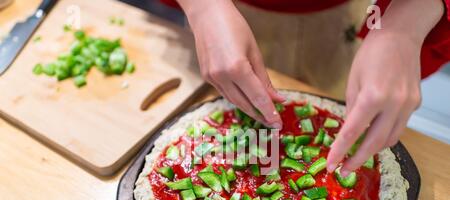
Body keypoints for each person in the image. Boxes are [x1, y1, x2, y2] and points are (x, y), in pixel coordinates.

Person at [163, 0, 449, 175]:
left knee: (350, 122)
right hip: (223, 15)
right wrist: (203, 6)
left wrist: (404, 27)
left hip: (354, 17)